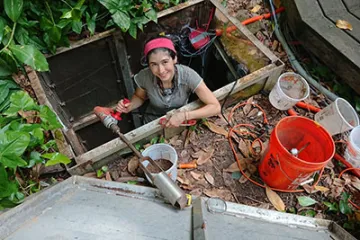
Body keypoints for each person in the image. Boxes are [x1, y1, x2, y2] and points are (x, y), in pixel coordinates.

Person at [116, 36, 220, 127]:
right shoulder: (145, 76)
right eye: (154, 64)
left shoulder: (188, 76)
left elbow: (215, 106)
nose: (161, 70)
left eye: (165, 62)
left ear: (174, 59)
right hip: (151, 124)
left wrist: (185, 115)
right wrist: (130, 106)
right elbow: (140, 97)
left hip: (179, 123)